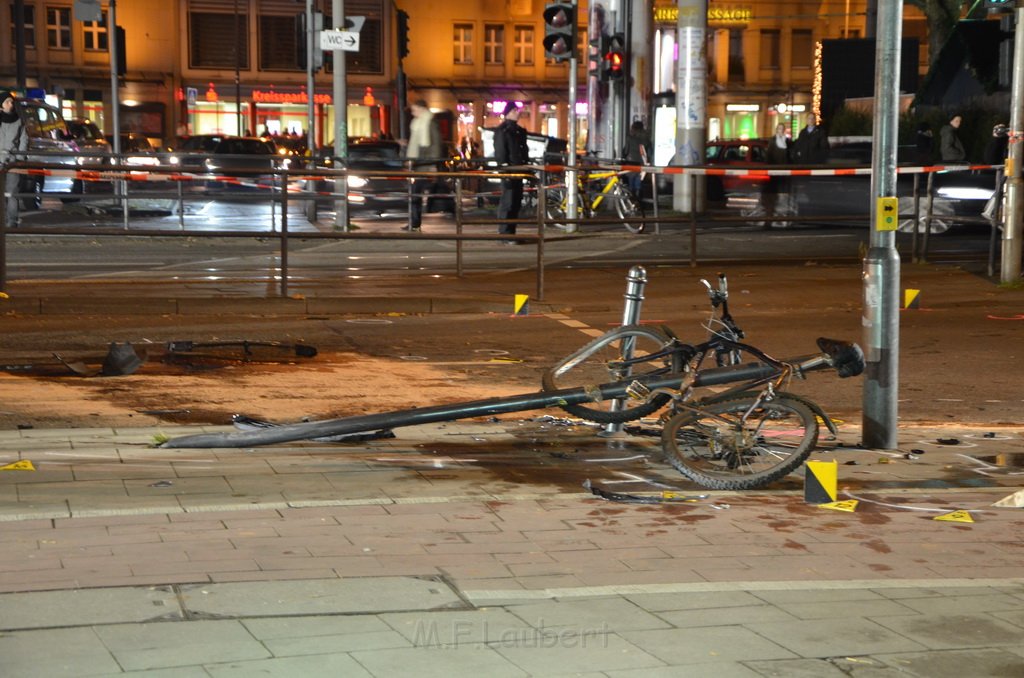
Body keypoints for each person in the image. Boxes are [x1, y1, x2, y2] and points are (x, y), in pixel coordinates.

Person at [493, 101, 529, 242]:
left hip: (519, 170)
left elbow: (523, 151)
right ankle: (504, 233)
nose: (517, 112)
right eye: (514, 110)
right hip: (509, 171)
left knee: (515, 202)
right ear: (508, 113)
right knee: (508, 202)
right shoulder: (503, 130)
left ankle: (511, 233)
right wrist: (504, 169)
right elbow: (501, 153)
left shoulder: (519, 131)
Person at [404, 99, 442, 232]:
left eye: (414, 110)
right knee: (415, 194)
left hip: (426, 164)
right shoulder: (418, 123)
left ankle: (414, 223)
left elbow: (436, 144)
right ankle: (414, 222)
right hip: (420, 163)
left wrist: (433, 164)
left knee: (415, 193)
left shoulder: (430, 122)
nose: (413, 113)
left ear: (421, 109)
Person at [1, 92, 28, 228]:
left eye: (11, 102)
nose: (10, 104)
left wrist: (19, 158)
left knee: (12, 192)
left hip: (12, 162)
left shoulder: (18, 120)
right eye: (7, 102)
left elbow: (24, 139)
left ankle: (12, 221)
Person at [762, 122, 792, 225]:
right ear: (776, 130)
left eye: (782, 129)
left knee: (783, 195)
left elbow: (789, 155)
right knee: (773, 196)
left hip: (784, 172)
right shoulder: (773, 141)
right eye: (779, 128)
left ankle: (782, 217)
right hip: (774, 172)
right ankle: (771, 217)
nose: (781, 130)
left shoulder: (787, 141)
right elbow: (769, 156)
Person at [982, 123, 1010, 221]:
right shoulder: (1002, 141)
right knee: (1001, 189)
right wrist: (996, 138)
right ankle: (991, 210)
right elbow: (990, 159)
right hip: (1007, 168)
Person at [621, 120, 651, 197]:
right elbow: (648, 150)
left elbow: (626, 150)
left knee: (631, 182)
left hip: (631, 163)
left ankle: (632, 200)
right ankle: (638, 199)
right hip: (641, 163)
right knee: (638, 182)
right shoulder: (645, 138)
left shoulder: (630, 138)